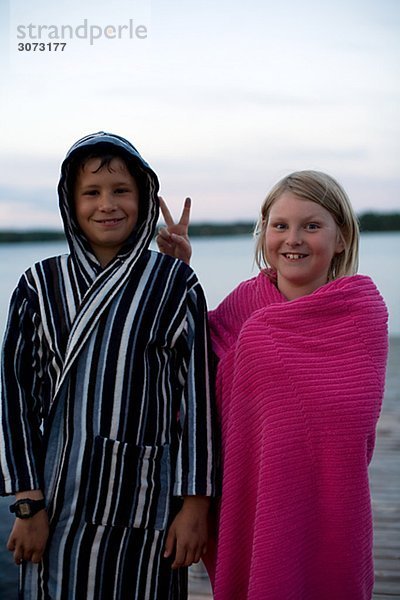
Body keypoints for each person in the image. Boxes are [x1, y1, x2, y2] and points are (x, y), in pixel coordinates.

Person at [0, 131, 218, 600]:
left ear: (142, 196)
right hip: (55, 506)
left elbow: (197, 400)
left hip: (148, 503)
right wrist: (26, 503)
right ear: (69, 202)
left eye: (121, 191)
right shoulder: (40, 285)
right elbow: (14, 398)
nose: (107, 205)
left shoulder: (174, 283)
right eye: (92, 193)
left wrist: (195, 505)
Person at [157, 170, 389, 600]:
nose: (293, 239)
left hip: (331, 504)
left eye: (312, 226)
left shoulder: (362, 314)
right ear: (264, 233)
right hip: (255, 498)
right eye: (279, 226)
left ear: (341, 238)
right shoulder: (247, 303)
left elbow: (354, 420)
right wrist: (176, 272)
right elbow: (185, 366)